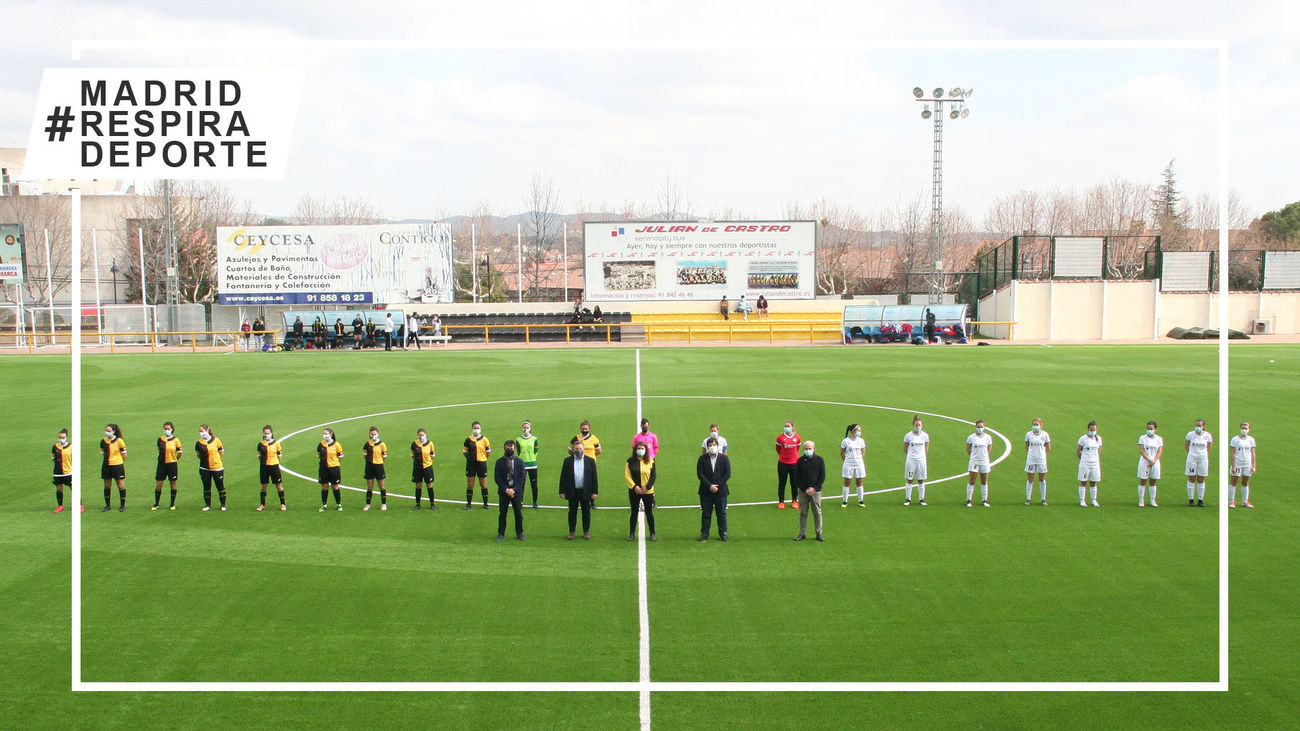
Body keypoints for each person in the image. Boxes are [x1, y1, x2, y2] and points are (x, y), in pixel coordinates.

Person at [559, 436, 599, 540]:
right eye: (576, 449)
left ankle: (586, 531)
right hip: (572, 490)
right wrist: (562, 491)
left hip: (586, 490)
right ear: (573, 450)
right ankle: (572, 532)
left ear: (584, 449)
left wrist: (595, 491)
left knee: (586, 512)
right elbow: (563, 476)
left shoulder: (590, 461)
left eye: (580, 448)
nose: (579, 450)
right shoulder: (567, 461)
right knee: (572, 512)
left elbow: (594, 477)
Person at [696, 435, 731, 541]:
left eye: (714, 445)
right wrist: (709, 485)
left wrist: (717, 486)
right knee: (706, 513)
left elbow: (727, 474)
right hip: (706, 491)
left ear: (718, 446)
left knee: (722, 513)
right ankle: (704, 534)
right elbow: (700, 474)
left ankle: (723, 533)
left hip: (721, 491)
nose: (712, 447)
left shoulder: (724, 458)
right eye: (710, 445)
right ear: (707, 447)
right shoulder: (702, 459)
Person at [793, 440, 826, 542]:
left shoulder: (819, 460)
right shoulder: (800, 461)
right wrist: (804, 489)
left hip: (816, 492)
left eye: (809, 448)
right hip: (803, 492)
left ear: (814, 449)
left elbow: (822, 476)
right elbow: (796, 477)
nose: (807, 450)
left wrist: (814, 488)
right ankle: (802, 533)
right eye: (806, 449)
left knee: (817, 512)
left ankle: (819, 533)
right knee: (803, 512)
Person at [494, 439, 526, 541]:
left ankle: (520, 533)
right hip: (504, 492)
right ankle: (501, 533)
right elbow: (497, 478)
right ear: (504, 448)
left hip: (516, 492)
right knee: (502, 513)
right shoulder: (499, 462)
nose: (509, 450)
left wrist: (514, 490)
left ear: (514, 449)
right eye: (508, 448)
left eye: (511, 448)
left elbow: (522, 478)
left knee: (518, 514)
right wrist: (506, 489)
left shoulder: (520, 462)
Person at [625, 443, 657, 542]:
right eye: (638, 448)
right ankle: (631, 533)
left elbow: (653, 476)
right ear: (635, 450)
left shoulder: (651, 461)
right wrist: (634, 487)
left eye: (642, 448)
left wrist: (647, 487)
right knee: (634, 512)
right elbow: (627, 476)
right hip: (634, 491)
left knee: (649, 512)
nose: (640, 450)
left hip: (648, 491)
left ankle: (652, 533)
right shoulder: (630, 462)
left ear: (646, 450)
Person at [195, 424, 227, 511]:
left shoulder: (216, 440)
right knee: (206, 486)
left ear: (207, 430)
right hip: (204, 468)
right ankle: (207, 505)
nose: (201, 433)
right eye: (200, 431)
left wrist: (215, 460)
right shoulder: (198, 443)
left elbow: (221, 451)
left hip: (217, 468)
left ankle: (223, 505)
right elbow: (198, 454)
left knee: (220, 486)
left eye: (202, 431)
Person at [153, 420, 182, 511]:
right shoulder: (160, 439)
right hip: (161, 465)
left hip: (172, 465)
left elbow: (180, 453)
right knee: (159, 484)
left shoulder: (176, 440)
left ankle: (172, 504)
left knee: (173, 484)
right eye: (165, 429)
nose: (166, 430)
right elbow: (159, 450)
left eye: (168, 429)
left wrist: (174, 459)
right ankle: (156, 503)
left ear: (172, 429)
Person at [256, 424, 286, 511]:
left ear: (271, 433)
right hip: (264, 467)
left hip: (274, 466)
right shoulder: (260, 444)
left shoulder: (276, 444)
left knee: (278, 485)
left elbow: (279, 456)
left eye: (268, 433)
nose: (266, 435)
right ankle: (262, 504)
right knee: (264, 486)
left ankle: (283, 504)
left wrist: (274, 462)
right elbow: (259, 456)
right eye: (265, 433)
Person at [463, 421, 491, 509]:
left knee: (483, 485)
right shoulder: (468, 440)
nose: (476, 430)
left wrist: (483, 458)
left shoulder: (485, 439)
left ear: (480, 429)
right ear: (472, 429)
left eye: (478, 428)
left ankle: (485, 504)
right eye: (475, 428)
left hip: (481, 464)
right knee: (470, 485)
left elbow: (488, 452)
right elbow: (465, 452)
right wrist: (470, 458)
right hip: (471, 464)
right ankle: (468, 504)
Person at [965, 419, 993, 507]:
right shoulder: (971, 437)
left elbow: (989, 447)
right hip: (974, 461)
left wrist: (985, 456)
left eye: (981, 427)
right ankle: (969, 500)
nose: (980, 428)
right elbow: (968, 448)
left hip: (984, 462)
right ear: (975, 427)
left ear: (984, 427)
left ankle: (984, 500)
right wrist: (973, 456)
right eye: (978, 427)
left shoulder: (988, 437)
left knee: (984, 481)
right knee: (972, 480)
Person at [1185, 418, 1212, 507]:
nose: (1197, 427)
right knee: (1191, 478)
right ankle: (1191, 499)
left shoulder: (1207, 435)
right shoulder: (1190, 434)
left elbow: (1209, 446)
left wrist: (1204, 454)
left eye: (1199, 425)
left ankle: (1200, 499)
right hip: (1192, 459)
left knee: (1201, 478)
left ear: (1203, 426)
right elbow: (1186, 445)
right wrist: (1191, 454)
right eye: (1196, 425)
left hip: (1203, 459)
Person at [99, 423, 127, 512]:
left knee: (120, 485)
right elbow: (103, 453)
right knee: (107, 486)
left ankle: (122, 505)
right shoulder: (103, 441)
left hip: (117, 466)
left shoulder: (119, 441)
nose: (107, 432)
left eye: (109, 431)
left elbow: (124, 454)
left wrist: (119, 462)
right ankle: (107, 505)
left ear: (114, 431)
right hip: (106, 466)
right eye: (106, 430)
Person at [1228, 421, 1256, 508]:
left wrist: (1253, 466)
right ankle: (1231, 501)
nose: (1244, 430)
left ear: (1249, 429)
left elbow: (1253, 453)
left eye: (1246, 428)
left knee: (1245, 482)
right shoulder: (1235, 439)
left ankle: (1245, 501)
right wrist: (1233, 466)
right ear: (1240, 429)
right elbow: (1232, 453)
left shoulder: (1251, 440)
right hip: (1238, 463)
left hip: (1247, 463)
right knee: (1234, 481)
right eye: (1242, 428)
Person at [903, 415, 929, 506]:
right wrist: (911, 456)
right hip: (911, 461)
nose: (918, 426)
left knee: (921, 480)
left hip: (921, 461)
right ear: (913, 425)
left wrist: (922, 455)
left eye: (919, 425)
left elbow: (926, 446)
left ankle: (921, 499)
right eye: (916, 425)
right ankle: (908, 499)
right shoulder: (908, 436)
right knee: (909, 479)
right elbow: (905, 448)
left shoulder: (925, 435)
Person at [1024, 417, 1051, 506]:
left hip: (1041, 460)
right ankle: (1028, 499)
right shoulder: (1028, 434)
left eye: (1037, 424)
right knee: (1030, 479)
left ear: (1041, 425)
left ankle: (1043, 499)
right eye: (1034, 424)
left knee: (1042, 479)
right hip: (1031, 459)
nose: (1035, 426)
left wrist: (1042, 455)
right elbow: (1027, 446)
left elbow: (1048, 447)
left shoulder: (1045, 435)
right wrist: (1031, 454)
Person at [1076, 420, 1103, 508]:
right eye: (1091, 430)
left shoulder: (1099, 439)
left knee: (1093, 482)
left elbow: (1099, 449)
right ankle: (1082, 500)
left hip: (1095, 464)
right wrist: (1083, 459)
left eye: (1094, 429)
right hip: (1085, 463)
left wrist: (1096, 457)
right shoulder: (1083, 439)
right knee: (1083, 481)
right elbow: (1078, 451)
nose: (1093, 431)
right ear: (1088, 429)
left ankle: (1094, 500)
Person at [775, 420, 801, 509]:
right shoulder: (780, 438)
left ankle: (794, 500)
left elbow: (797, 448)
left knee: (794, 483)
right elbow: (778, 449)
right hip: (783, 464)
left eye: (788, 426)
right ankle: (781, 501)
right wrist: (784, 456)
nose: (786, 428)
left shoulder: (797, 437)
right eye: (785, 426)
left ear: (792, 427)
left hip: (794, 464)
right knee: (782, 483)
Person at [839, 423, 866, 508]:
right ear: (852, 431)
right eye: (858, 430)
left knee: (859, 482)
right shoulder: (845, 441)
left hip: (859, 464)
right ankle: (845, 501)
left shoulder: (861, 441)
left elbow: (863, 451)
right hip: (848, 464)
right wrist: (847, 461)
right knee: (847, 482)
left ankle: (861, 500)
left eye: (860, 430)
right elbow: (842, 452)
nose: (859, 432)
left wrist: (859, 459)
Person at [317, 428, 345, 510]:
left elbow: (341, 456)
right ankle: (324, 505)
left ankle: (338, 504)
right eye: (323, 434)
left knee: (335, 486)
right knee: (324, 487)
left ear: (331, 434)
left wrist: (334, 462)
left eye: (326, 434)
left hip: (334, 468)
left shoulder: (336, 444)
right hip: (323, 468)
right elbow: (318, 455)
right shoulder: (321, 445)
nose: (324, 435)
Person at [1137, 420, 1163, 508]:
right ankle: (1141, 500)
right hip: (1145, 461)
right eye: (1148, 428)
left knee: (1153, 481)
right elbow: (1142, 451)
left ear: (1155, 429)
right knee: (1143, 480)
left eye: (1151, 429)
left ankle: (1152, 500)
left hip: (1155, 462)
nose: (1149, 430)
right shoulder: (1142, 438)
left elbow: (1159, 451)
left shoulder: (1159, 439)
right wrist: (1149, 460)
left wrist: (1154, 460)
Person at [362, 426, 389, 511]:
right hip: (369, 467)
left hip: (379, 466)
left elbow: (384, 456)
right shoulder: (367, 444)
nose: (373, 435)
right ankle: (368, 504)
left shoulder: (382, 444)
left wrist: (379, 461)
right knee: (370, 487)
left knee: (382, 486)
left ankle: (384, 504)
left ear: (378, 434)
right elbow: (364, 455)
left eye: (375, 434)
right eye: (372, 434)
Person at [516, 420, 540, 509]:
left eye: (527, 427)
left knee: (534, 484)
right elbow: (518, 451)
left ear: (530, 428)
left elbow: (536, 450)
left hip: (532, 464)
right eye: (524, 427)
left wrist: (532, 458)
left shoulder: (534, 439)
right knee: (521, 484)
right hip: (522, 465)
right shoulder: (518, 439)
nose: (526, 429)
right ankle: (520, 501)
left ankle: (535, 502)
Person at [411, 428, 437, 509]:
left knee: (429, 485)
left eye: (422, 435)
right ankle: (418, 504)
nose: (421, 437)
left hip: (427, 467)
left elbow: (433, 455)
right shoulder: (414, 444)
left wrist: (427, 461)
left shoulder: (430, 444)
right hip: (417, 467)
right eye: (419, 435)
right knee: (418, 485)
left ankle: (432, 503)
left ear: (425, 435)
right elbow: (412, 455)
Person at [52, 428, 74, 513]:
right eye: (60, 437)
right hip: (58, 472)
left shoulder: (71, 447)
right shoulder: (55, 447)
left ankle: (80, 505)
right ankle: (60, 506)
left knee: (73, 488)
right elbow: (53, 458)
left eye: (63, 437)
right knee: (59, 489)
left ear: (66, 437)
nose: (61, 439)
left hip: (69, 471)